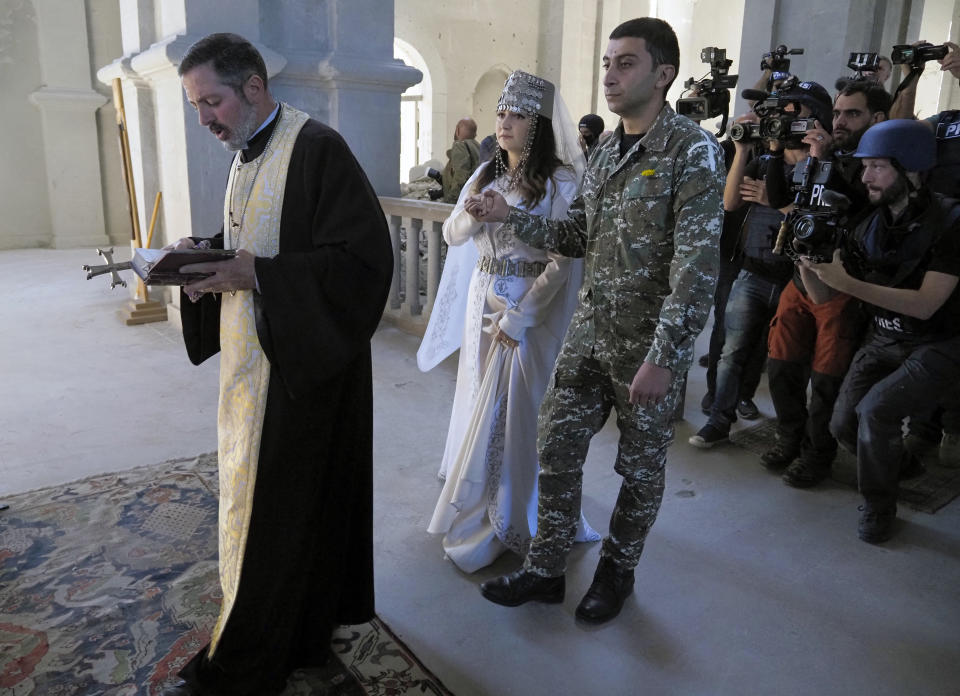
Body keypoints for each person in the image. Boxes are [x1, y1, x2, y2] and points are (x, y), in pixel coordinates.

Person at [161, 33, 392, 696]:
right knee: (273, 514)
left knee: (277, 520)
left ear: (254, 89)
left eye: (212, 102)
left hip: (301, 371)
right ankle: (298, 630)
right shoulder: (244, 151)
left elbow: (362, 262)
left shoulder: (317, 148)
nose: (204, 118)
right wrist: (203, 257)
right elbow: (257, 241)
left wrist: (256, 274)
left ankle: (243, 665)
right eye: (196, 105)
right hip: (253, 364)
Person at [472, 17, 724, 624]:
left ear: (663, 74)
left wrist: (664, 357)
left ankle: (618, 571)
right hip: (588, 336)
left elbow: (697, 266)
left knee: (639, 468)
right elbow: (577, 234)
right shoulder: (608, 148)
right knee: (555, 449)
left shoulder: (691, 150)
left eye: (626, 63)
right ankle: (546, 568)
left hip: (645, 346)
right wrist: (512, 216)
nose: (609, 75)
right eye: (607, 63)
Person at [419, 70, 599, 573]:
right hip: (482, 298)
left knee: (520, 409)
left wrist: (522, 317)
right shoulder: (485, 174)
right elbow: (455, 234)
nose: (504, 121)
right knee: (480, 398)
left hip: (528, 306)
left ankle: (513, 514)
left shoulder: (561, 181)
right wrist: (475, 213)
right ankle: (478, 493)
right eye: (501, 112)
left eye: (517, 114)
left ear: (539, 124)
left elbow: (565, 258)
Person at [799, 119, 960, 543]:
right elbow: (821, 298)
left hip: (938, 341)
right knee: (842, 425)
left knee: (876, 411)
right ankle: (897, 465)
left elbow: (927, 305)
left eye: (876, 167)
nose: (865, 176)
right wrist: (809, 265)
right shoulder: (867, 224)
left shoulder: (952, 221)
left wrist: (845, 282)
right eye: (864, 167)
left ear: (910, 169)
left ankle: (878, 504)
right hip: (884, 337)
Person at [758, 80, 889, 485]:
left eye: (853, 113)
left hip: (843, 281)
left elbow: (857, 204)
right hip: (801, 273)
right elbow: (782, 198)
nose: (841, 121)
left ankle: (818, 454)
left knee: (827, 377)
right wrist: (778, 152)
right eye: (838, 112)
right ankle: (789, 436)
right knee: (781, 364)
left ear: (876, 119)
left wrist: (823, 158)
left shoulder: (876, 162)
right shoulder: (822, 155)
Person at [690, 80, 833, 448]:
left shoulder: (828, 167)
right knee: (730, 353)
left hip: (796, 279)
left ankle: (794, 435)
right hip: (752, 271)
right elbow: (730, 203)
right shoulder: (763, 161)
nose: (784, 123)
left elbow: (821, 222)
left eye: (795, 114)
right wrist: (741, 150)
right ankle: (719, 421)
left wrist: (777, 200)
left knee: (789, 361)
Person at [437, 117, 481, 203]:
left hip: (460, 201)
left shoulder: (460, 145)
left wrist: (451, 199)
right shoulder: (478, 147)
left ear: (457, 130)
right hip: (472, 198)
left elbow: (461, 175)